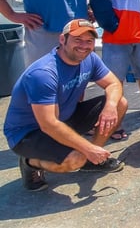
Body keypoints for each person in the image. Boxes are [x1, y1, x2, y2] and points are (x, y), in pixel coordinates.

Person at [3, 19, 128, 191]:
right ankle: (30, 162)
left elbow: (113, 84)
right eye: (77, 39)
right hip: (28, 133)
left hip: (64, 118)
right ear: (62, 39)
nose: (84, 45)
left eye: (89, 41)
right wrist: (87, 147)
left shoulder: (90, 58)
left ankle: (93, 159)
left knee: (119, 102)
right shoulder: (43, 74)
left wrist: (110, 107)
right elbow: (49, 124)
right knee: (74, 160)